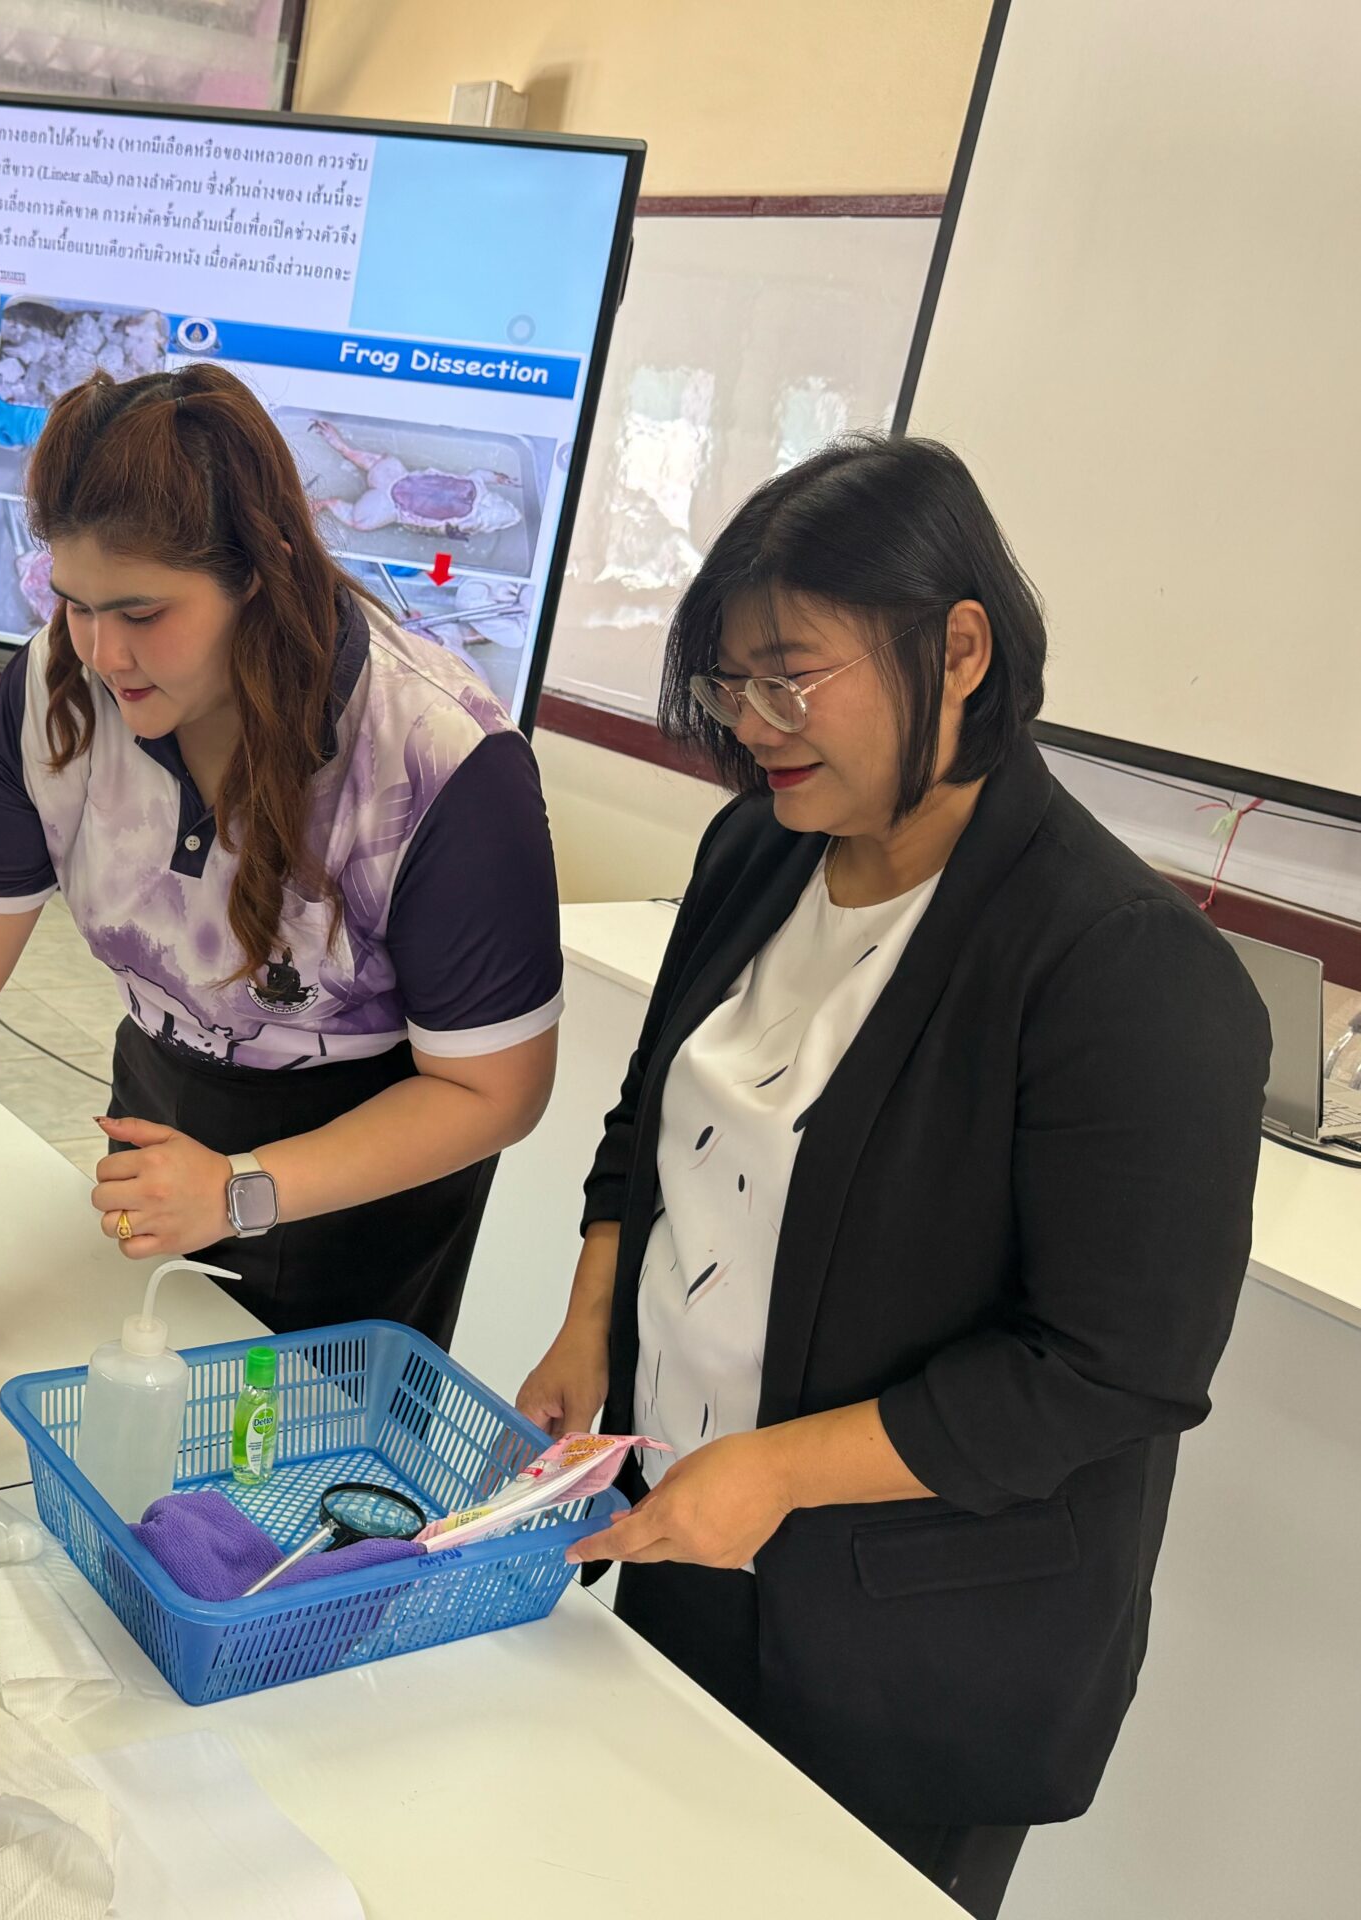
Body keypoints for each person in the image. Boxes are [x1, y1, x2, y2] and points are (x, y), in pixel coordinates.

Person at [513, 438, 1267, 1918]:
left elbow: (1109, 1373)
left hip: (915, 1653)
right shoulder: (759, 848)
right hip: (687, 1533)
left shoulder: (1121, 969)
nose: (754, 726)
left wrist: (778, 1472)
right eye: (732, 683)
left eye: (792, 679)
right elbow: (648, 1115)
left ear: (959, 649)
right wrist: (589, 1323)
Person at [0, 364, 562, 1344]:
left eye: (143, 614)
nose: (103, 654)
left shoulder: (439, 760)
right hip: (161, 1126)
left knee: (292, 1425)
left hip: (361, 1190)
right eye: (75, 603)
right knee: (130, 1379)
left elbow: (494, 1091)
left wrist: (241, 1188)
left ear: (261, 572)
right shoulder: (57, 691)